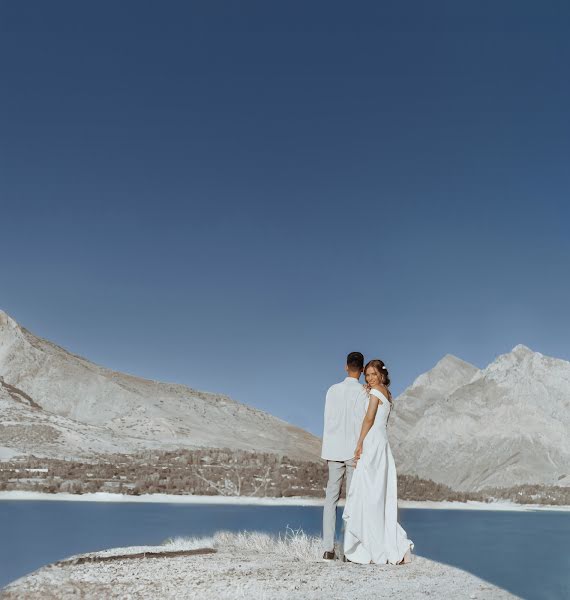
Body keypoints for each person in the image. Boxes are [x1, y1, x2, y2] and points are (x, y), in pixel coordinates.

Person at [342, 359, 414, 564]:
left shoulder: (375, 393)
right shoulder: (386, 393)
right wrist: (370, 391)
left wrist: (359, 443)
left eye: (374, 374)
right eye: (368, 375)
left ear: (382, 374)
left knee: (370, 495)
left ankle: (371, 547)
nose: (370, 378)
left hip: (373, 444)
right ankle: (383, 544)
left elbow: (369, 419)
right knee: (377, 496)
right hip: (381, 444)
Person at [320, 351, 368, 560]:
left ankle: (328, 549)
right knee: (352, 500)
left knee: (331, 499)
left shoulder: (332, 390)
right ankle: (348, 551)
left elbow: (328, 420)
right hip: (355, 451)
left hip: (334, 449)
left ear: (346, 366)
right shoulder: (363, 392)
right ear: (363, 369)